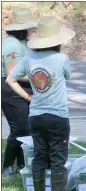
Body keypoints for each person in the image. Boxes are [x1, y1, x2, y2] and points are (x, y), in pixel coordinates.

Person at [6, 16, 76, 191]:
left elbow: (10, 79)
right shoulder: (62, 59)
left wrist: (28, 96)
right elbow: (67, 76)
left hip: (35, 115)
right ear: (58, 41)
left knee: (39, 157)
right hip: (58, 116)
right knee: (57, 159)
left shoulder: (28, 58)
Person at [1, 7, 37, 176]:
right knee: (20, 129)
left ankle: (22, 165)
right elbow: (13, 73)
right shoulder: (11, 44)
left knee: (26, 129)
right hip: (11, 89)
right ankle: (7, 167)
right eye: (29, 27)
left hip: (22, 86)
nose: (32, 29)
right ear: (21, 29)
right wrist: (38, 78)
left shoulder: (22, 42)